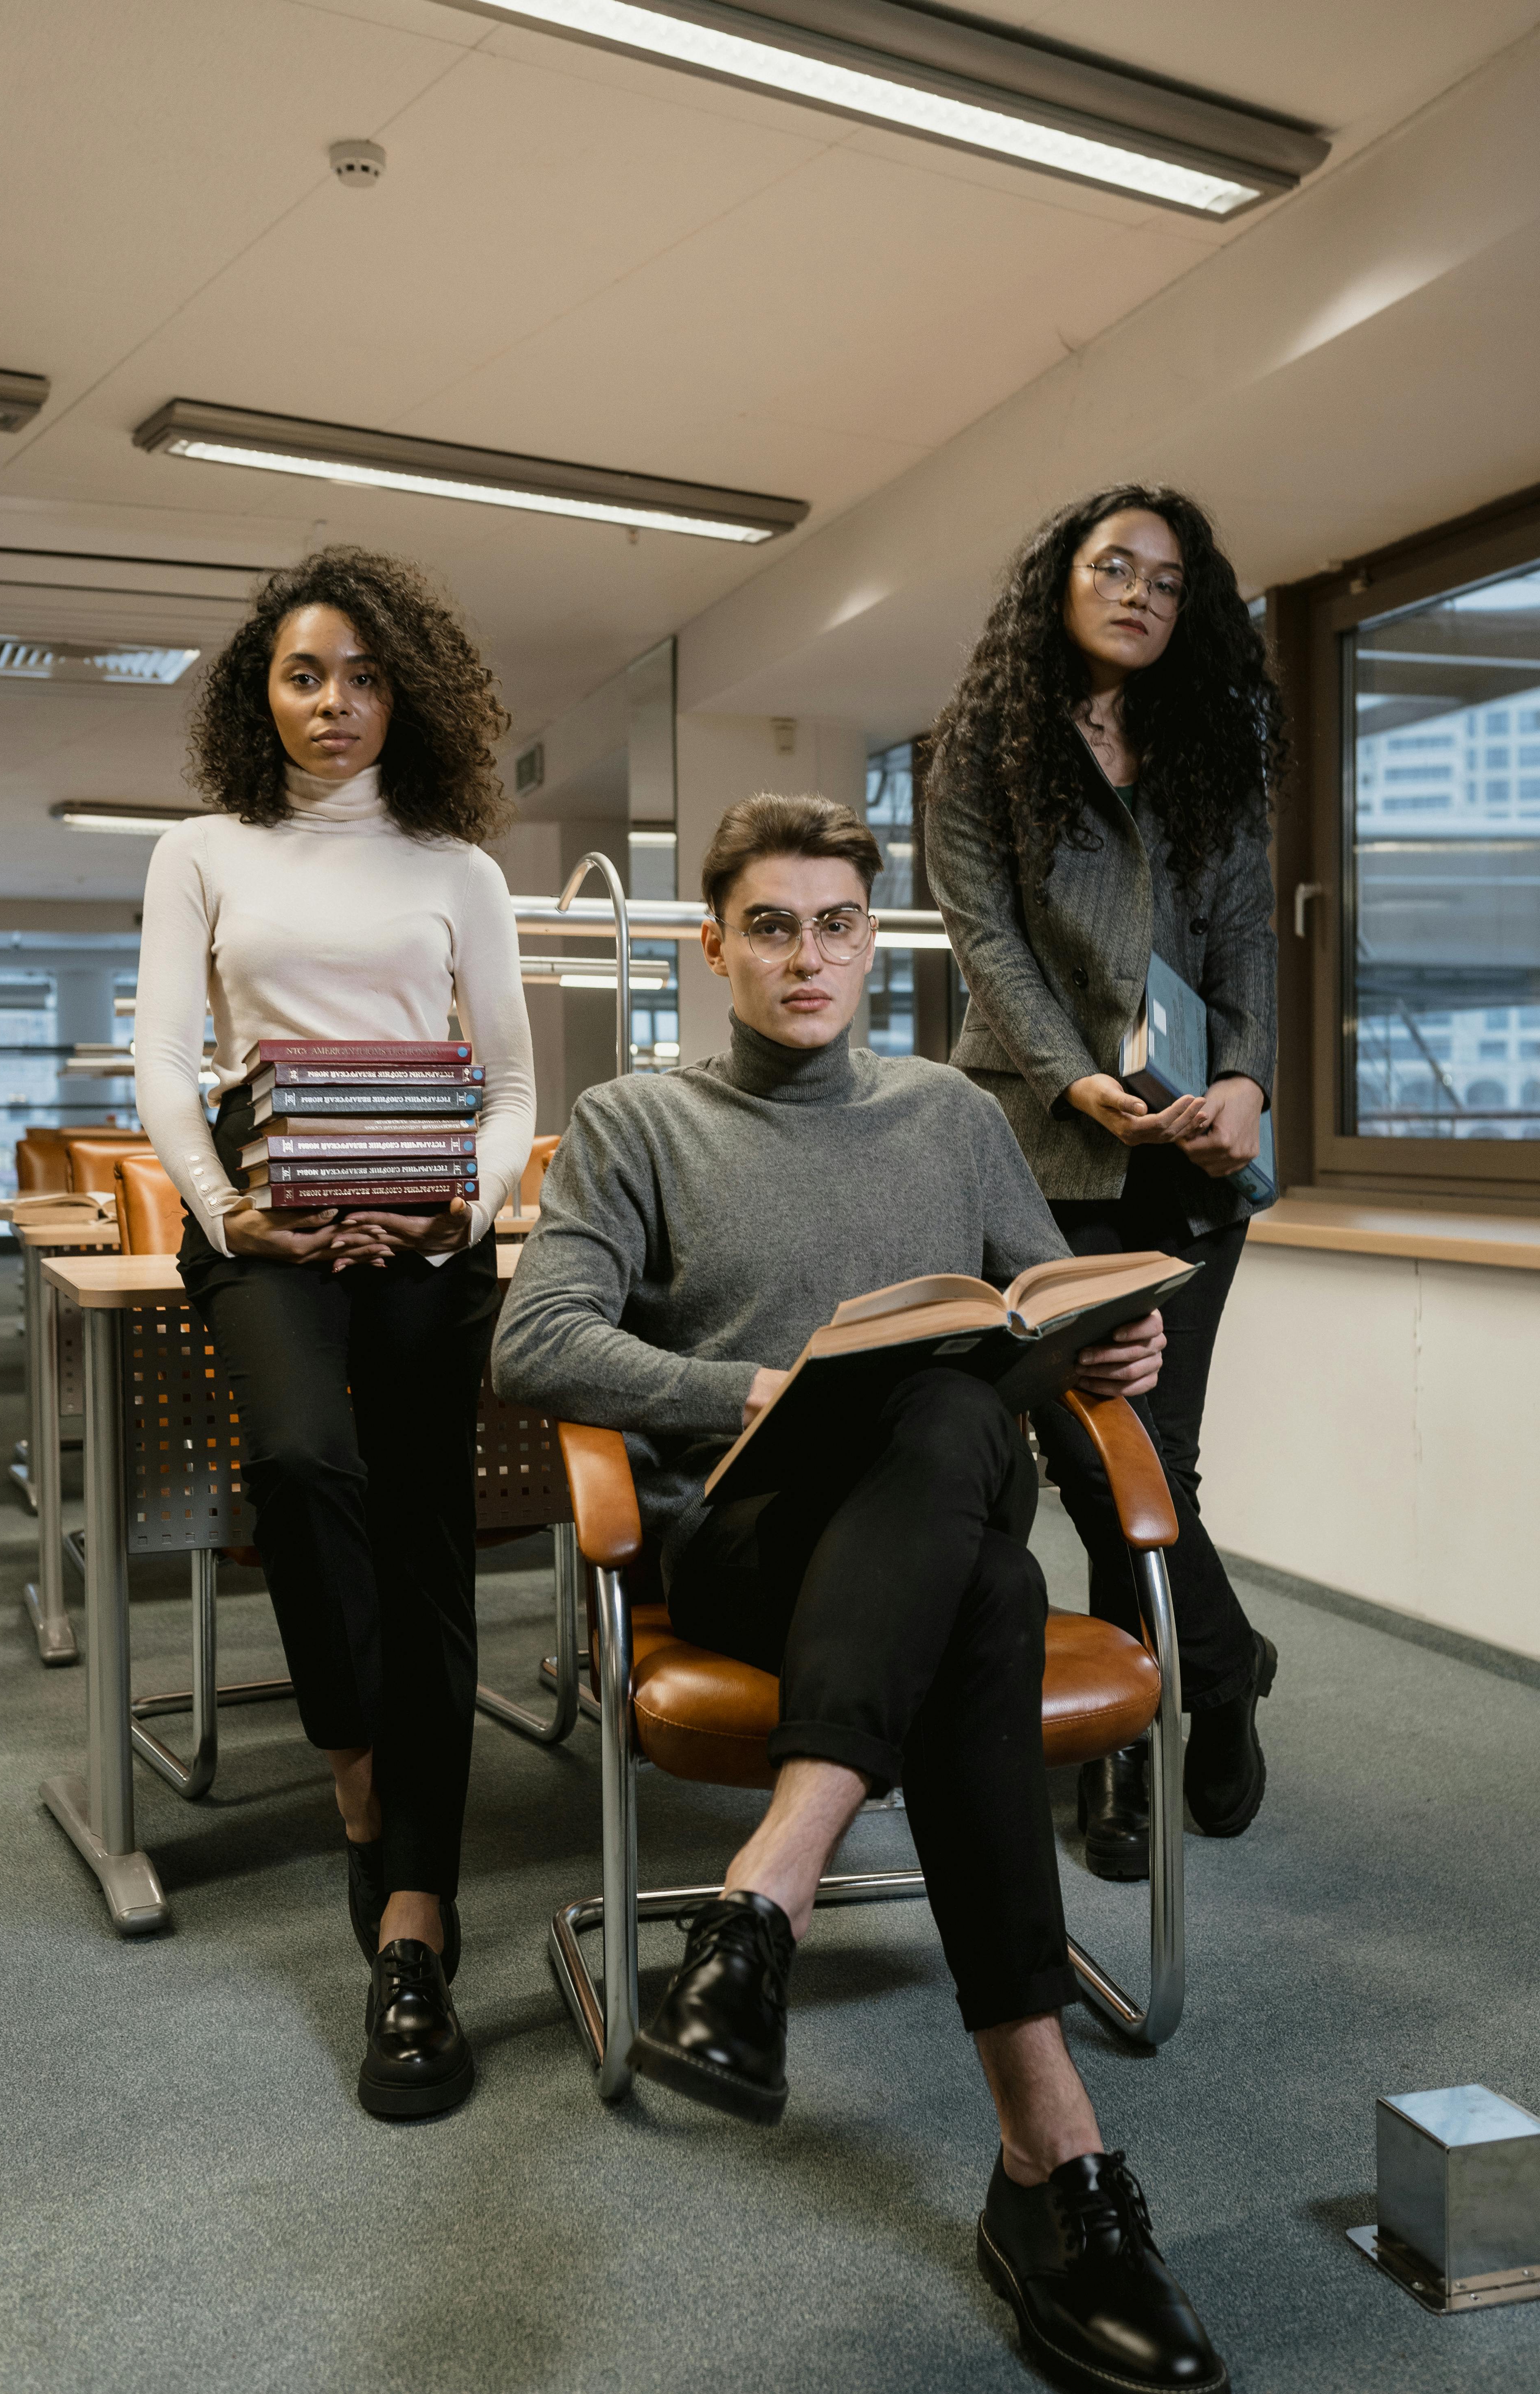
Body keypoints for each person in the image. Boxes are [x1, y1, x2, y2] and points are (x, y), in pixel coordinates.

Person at [493, 793, 1229, 2394]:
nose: (805, 955)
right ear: (715, 948)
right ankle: (1052, 2192)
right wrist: (747, 1385)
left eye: (836, 924)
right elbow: (534, 1341)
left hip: (930, 1533)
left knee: (963, 1431)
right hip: (747, 1548)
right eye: (769, 926)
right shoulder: (635, 1121)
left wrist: (1110, 1341)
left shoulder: (952, 1120)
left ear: (869, 943)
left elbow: (1034, 1304)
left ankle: (773, 1907)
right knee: (976, 1551)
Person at [135, 547, 535, 2120]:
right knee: (307, 1463)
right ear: (264, 691)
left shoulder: (460, 870)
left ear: (407, 694)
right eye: (307, 676)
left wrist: (471, 1207)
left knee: (433, 1533)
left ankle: (418, 1927)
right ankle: (356, 1764)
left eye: (366, 677)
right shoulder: (202, 850)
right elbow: (170, 1058)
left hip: (427, 1229)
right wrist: (223, 1207)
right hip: (268, 1227)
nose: (336, 704)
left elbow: (506, 1089)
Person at [924, 485, 1282, 1885]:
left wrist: (1246, 1088)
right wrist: (1079, 1080)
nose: (1139, 593)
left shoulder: (1209, 753)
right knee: (1087, 1452)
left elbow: (1249, 942)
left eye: (1169, 581)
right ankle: (1216, 1666)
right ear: (1059, 584)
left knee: (1160, 1454)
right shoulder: (984, 752)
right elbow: (989, 945)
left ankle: (1159, 1713)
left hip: (1192, 1152)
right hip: (1043, 1144)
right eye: (1112, 567)